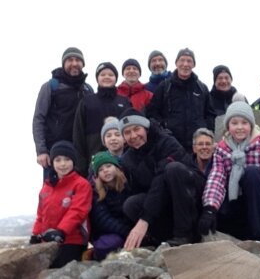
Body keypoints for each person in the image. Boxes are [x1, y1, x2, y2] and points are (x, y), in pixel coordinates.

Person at [199, 101, 260, 242]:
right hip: (234, 202)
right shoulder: (222, 149)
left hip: (259, 199)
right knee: (216, 211)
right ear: (228, 127)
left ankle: (259, 236)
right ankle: (235, 234)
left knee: (252, 173)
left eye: (244, 123)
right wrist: (210, 208)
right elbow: (216, 178)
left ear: (251, 125)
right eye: (234, 123)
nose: (240, 127)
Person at [119, 108, 206, 249]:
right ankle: (162, 240)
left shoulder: (166, 141)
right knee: (131, 204)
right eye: (127, 132)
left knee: (173, 169)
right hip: (162, 202)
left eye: (136, 129)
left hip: (190, 200)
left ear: (146, 128)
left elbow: (161, 179)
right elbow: (140, 191)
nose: (133, 136)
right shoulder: (128, 160)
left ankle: (184, 235)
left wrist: (145, 219)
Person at [33, 47, 94, 179]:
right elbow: (39, 119)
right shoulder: (51, 86)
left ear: (83, 64)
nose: (74, 63)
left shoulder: (88, 89)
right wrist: (41, 150)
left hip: (81, 153)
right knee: (53, 194)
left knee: (81, 194)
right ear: (63, 64)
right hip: (55, 153)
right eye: (70, 60)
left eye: (78, 60)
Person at [30, 141, 92, 268]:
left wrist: (61, 231)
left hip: (73, 240)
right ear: (52, 163)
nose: (63, 164)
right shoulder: (46, 188)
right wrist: (35, 235)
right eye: (58, 160)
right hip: (48, 242)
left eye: (67, 159)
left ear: (73, 161)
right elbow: (40, 215)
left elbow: (78, 211)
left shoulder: (81, 184)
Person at [146, 48, 216, 152]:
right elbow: (152, 113)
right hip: (171, 145)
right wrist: (163, 130)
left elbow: (210, 115)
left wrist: (206, 132)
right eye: (182, 60)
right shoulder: (164, 87)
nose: (185, 64)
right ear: (176, 63)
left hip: (197, 146)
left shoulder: (202, 88)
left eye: (189, 61)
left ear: (194, 64)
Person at [73, 62, 131, 177]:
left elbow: (130, 129)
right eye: (103, 74)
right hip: (94, 161)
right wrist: (81, 165)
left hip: (122, 160)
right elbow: (78, 133)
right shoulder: (87, 102)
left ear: (116, 78)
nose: (107, 77)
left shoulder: (124, 102)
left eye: (110, 75)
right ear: (97, 78)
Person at [88, 151, 133, 261]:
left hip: (129, 227)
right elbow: (103, 219)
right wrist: (127, 232)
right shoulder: (96, 193)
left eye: (108, 166)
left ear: (117, 168)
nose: (105, 171)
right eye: (101, 169)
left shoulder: (128, 185)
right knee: (109, 244)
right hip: (109, 232)